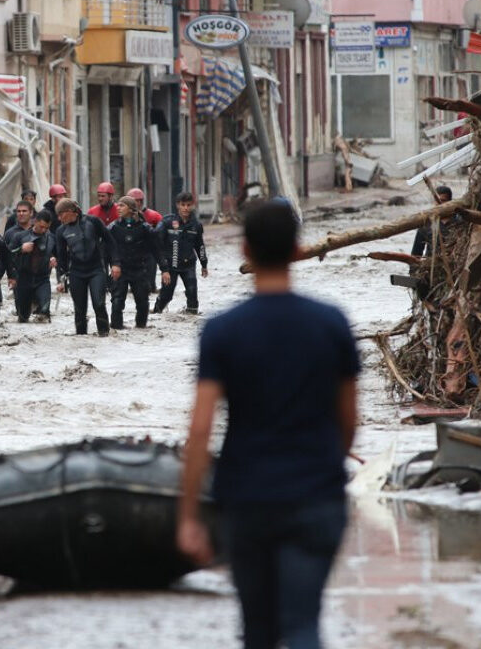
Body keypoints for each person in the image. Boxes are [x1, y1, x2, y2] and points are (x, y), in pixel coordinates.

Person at [177, 199, 359, 649]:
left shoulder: (222, 331)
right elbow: (350, 419)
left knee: (257, 631)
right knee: (302, 625)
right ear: (297, 249)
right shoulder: (331, 323)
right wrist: (322, 468)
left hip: (247, 499)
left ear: (246, 250)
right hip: (316, 496)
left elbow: (201, 430)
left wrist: (189, 516)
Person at [54, 198, 119, 336]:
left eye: (61, 214)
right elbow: (61, 258)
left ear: (71, 211)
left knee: (99, 303)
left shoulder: (93, 222)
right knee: (79, 309)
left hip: (96, 269)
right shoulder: (61, 231)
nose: (59, 218)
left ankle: (104, 333)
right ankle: (81, 337)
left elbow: (110, 242)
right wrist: (61, 280)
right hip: (76, 272)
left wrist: (115, 263)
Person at [108, 196, 160, 330]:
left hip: (139, 269)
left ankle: (141, 327)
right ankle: (116, 327)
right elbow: (105, 248)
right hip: (120, 270)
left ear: (131, 209)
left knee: (142, 301)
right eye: (117, 205)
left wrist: (165, 269)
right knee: (117, 301)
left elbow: (156, 249)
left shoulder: (144, 228)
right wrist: (111, 265)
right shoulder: (113, 227)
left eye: (121, 206)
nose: (118, 208)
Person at [153, 192, 209, 315]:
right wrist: (164, 269)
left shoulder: (196, 225)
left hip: (188, 264)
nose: (186, 208)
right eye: (183, 205)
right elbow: (157, 245)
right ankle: (156, 312)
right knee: (166, 295)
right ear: (178, 205)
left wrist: (204, 265)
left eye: (188, 205)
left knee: (192, 292)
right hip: (170, 265)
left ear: (193, 206)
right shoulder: (167, 222)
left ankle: (191, 314)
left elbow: (200, 246)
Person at [7, 209, 56, 323]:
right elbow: (8, 256)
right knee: (23, 317)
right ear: (35, 221)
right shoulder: (19, 236)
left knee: (44, 312)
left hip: (42, 279)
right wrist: (21, 249)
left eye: (47, 228)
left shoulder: (51, 238)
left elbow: (59, 255)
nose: (44, 230)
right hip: (23, 279)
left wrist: (54, 259)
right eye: (41, 227)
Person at [128, 187, 162, 290]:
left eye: (140, 201)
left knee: (149, 284)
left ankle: (150, 285)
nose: (138, 204)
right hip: (130, 249)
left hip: (148, 250)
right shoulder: (122, 216)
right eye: (135, 201)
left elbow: (162, 232)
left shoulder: (154, 216)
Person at [411, 185, 453, 256]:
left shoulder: (459, 221)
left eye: (443, 201)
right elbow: (416, 253)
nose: (439, 204)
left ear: (450, 202)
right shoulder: (427, 223)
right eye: (436, 200)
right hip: (432, 264)